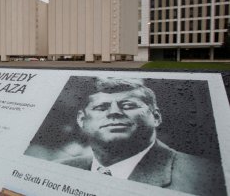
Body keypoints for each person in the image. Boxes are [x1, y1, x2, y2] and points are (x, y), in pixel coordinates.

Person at [57, 77, 226, 195]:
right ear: (81, 119)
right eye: (101, 108)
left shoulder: (206, 178)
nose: (114, 112)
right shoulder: (61, 168)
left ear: (156, 117)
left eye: (129, 105)